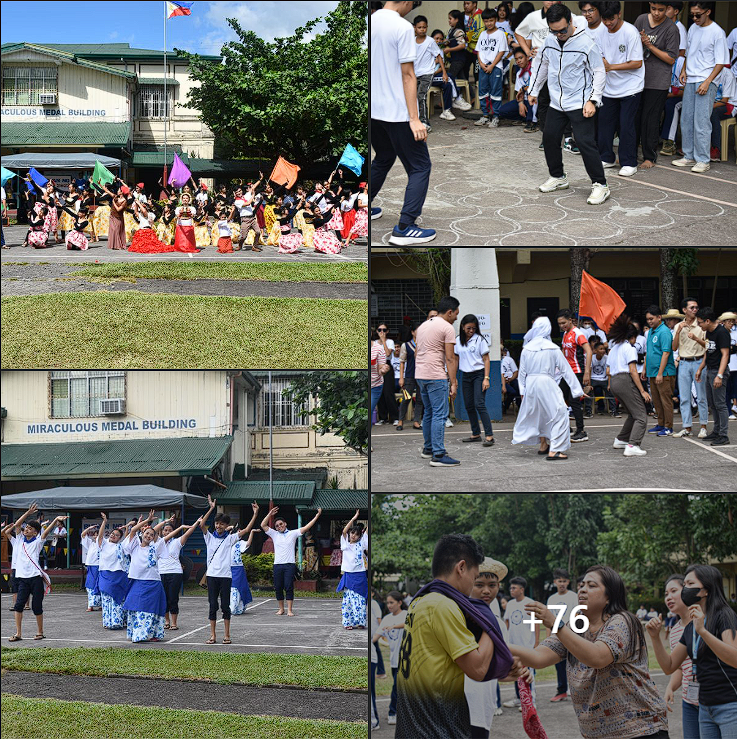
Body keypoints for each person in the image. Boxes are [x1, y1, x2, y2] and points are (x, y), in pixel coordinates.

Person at [513, 565, 669, 739]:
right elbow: (538, 657)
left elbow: (597, 657)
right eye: (582, 585)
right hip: (597, 734)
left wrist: (555, 623)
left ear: (609, 596)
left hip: (641, 731)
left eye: (592, 586)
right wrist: (496, 643)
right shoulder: (576, 625)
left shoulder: (623, 621)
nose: (583, 590)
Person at [394, 534, 526, 738]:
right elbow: (478, 669)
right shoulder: (443, 606)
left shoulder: (420, 601)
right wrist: (488, 622)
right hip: (436, 726)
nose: (479, 588)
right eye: (475, 579)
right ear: (461, 567)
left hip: (413, 724)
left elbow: (446, 665)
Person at [528, 4, 611, 206]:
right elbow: (542, 64)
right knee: (549, 138)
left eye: (563, 30)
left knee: (585, 143)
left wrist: (593, 100)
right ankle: (558, 177)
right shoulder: (550, 41)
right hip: (557, 102)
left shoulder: (586, 43)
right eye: (554, 31)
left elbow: (599, 72)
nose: (559, 35)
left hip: (580, 103)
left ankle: (601, 185)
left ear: (571, 22)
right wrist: (533, 90)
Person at [371, 0, 436, 246]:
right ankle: (405, 227)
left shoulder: (371, 20)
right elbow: (408, 75)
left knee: (384, 156)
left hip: (374, 112)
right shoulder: (402, 27)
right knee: (420, 166)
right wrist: (415, 119)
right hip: (396, 112)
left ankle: (363, 208)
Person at [647, 563, 737, 738]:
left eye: (689, 584)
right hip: (705, 708)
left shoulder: (724, 615)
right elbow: (670, 666)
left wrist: (703, 631)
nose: (684, 589)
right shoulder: (690, 627)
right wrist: (655, 637)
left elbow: (735, 658)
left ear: (705, 590)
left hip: (730, 706)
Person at [513, 316, 589, 461]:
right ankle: (556, 450)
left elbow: (521, 374)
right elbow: (566, 371)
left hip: (531, 384)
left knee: (541, 415)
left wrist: (523, 391)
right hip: (546, 383)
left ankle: (543, 446)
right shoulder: (553, 348)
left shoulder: (526, 349)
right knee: (560, 413)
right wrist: (578, 390)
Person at [672, 1, 729, 173]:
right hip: (691, 78)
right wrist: (683, 70)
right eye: (692, 15)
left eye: (698, 14)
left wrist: (707, 81)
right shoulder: (693, 29)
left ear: (708, 12)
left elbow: (720, 62)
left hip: (706, 79)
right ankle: (689, 156)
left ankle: (703, 159)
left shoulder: (717, 32)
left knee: (702, 120)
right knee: (687, 118)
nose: (695, 18)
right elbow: (690, 52)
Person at [199, 495, 259, 644]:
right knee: (213, 606)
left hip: (226, 576)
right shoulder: (209, 538)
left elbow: (246, 530)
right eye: (217, 523)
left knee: (225, 606)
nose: (219, 526)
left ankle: (227, 635)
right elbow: (202, 525)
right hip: (212, 576)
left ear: (227, 526)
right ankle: (212, 635)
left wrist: (255, 514)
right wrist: (211, 508)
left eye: (222, 524)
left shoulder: (230, 539)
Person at [597, 1, 645, 178]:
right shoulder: (601, 31)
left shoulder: (630, 32)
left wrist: (611, 67)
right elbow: (600, 54)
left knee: (626, 125)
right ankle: (607, 157)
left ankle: (629, 162)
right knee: (605, 124)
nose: (608, 23)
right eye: (604, 19)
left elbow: (637, 62)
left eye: (611, 19)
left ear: (619, 13)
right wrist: (602, 62)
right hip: (609, 87)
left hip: (630, 87)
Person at [465, 558, 511, 736]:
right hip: (459, 703)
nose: (486, 590)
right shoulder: (457, 618)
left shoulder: (498, 623)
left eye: (492, 585)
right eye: (479, 585)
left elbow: (500, 665)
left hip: (484, 702)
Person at [633, 2, 680, 170]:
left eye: (661, 10)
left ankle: (649, 157)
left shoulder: (671, 28)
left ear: (668, 8)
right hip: (638, 78)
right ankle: (630, 154)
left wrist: (649, 45)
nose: (657, 13)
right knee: (634, 118)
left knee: (650, 119)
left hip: (658, 81)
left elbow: (671, 58)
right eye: (654, 9)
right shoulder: (640, 20)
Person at [8, 504, 66, 642]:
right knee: (18, 605)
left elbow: (45, 533)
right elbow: (17, 525)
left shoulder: (38, 542)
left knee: (36, 606)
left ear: (35, 533)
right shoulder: (19, 540)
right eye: (26, 527)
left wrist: (55, 520)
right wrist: (28, 513)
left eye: (30, 528)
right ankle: (18, 633)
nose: (26, 529)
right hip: (22, 579)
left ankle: (40, 632)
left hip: (35, 578)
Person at [415, 296, 461, 467]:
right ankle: (439, 454)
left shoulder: (423, 326)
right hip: (436, 376)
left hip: (421, 374)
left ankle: (428, 449)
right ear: (449, 312)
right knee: (440, 415)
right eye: (456, 314)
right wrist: (454, 383)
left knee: (428, 412)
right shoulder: (447, 328)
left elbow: (417, 353)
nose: (456, 317)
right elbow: (450, 358)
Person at [260, 504, 322, 618]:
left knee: (288, 586)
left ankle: (289, 609)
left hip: (289, 565)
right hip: (277, 565)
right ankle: (281, 609)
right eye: (277, 526)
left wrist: (317, 516)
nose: (279, 527)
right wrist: (270, 514)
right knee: (278, 587)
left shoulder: (293, 533)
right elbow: (263, 525)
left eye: (281, 524)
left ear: (285, 524)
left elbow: (306, 527)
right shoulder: (274, 534)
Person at [606, 313, 653, 456]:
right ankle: (633, 445)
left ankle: (621, 439)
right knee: (641, 415)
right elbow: (633, 371)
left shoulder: (614, 348)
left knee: (633, 414)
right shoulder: (630, 348)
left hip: (614, 381)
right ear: (632, 337)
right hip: (624, 380)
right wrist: (642, 391)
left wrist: (611, 384)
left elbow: (608, 370)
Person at [660, 574, 699, 739]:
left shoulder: (704, 621)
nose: (668, 597)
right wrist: (670, 687)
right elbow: (679, 667)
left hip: (714, 698)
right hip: (689, 701)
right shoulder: (675, 631)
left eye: (673, 591)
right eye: (666, 594)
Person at [120, 511, 169, 643]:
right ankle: (135, 632)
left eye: (152, 535)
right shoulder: (134, 545)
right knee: (134, 607)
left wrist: (160, 524)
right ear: (142, 534)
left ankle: (147, 634)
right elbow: (133, 530)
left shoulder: (156, 546)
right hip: (136, 581)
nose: (149, 536)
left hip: (153, 582)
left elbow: (158, 533)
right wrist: (147, 520)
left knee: (149, 609)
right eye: (147, 533)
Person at [455, 314, 495, 447]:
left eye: (473, 328)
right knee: (469, 405)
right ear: (462, 327)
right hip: (465, 376)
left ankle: (489, 435)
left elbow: (486, 359)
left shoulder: (479, 340)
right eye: (468, 328)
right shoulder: (458, 341)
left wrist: (486, 378)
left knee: (479, 404)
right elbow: (455, 360)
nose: (471, 331)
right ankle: (476, 433)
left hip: (479, 375)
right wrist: (453, 378)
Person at [673, 297, 709, 439]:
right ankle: (687, 427)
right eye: (692, 308)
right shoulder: (678, 326)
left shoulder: (700, 325)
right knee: (684, 397)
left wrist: (695, 338)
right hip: (683, 362)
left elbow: (707, 346)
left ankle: (703, 427)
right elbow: (674, 347)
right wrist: (678, 332)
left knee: (701, 396)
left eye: (696, 307)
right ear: (684, 310)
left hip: (699, 361)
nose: (695, 310)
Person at [157, 516, 201, 630]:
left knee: (173, 598)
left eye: (170, 530)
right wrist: (166, 521)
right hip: (161, 573)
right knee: (164, 598)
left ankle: (174, 623)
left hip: (175, 573)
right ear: (161, 532)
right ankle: (166, 621)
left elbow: (187, 534)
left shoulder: (177, 542)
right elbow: (153, 530)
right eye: (165, 530)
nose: (167, 532)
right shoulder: (158, 542)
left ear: (174, 532)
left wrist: (196, 522)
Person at [696, 306, 731, 447]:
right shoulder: (709, 332)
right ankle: (716, 431)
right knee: (713, 404)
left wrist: (720, 375)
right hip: (709, 370)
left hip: (718, 371)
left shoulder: (721, 332)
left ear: (708, 321)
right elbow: (708, 351)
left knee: (720, 404)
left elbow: (725, 355)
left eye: (700, 322)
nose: (699, 325)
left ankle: (723, 434)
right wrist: (700, 368)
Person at [558, 308, 593, 443]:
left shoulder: (578, 333)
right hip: (566, 373)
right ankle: (567, 427)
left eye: (563, 323)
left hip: (577, 372)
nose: (562, 326)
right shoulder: (565, 334)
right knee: (559, 398)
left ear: (571, 320)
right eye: (559, 323)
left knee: (574, 401)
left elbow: (589, 352)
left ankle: (581, 431)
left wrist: (587, 373)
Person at [374, 590, 408, 726]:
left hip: (407, 659)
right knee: (397, 687)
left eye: (392, 602)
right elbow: (377, 635)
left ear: (399, 603)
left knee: (403, 687)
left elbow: (408, 624)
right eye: (387, 603)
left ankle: (393, 712)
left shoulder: (406, 615)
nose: (389, 605)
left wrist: (394, 626)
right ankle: (394, 712)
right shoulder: (387, 618)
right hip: (395, 659)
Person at [503, 576, 538, 711]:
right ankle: (519, 699)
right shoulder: (510, 604)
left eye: (514, 588)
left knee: (529, 673)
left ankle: (531, 701)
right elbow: (507, 622)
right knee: (515, 671)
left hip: (526, 644)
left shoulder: (530, 603)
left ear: (522, 589)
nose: (511, 590)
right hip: (513, 644)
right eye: (511, 588)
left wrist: (536, 642)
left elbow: (535, 623)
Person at [547, 568, 580, 703]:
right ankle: (561, 691)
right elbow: (548, 619)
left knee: (574, 663)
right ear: (555, 582)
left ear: (568, 582)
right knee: (559, 664)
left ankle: (576, 690)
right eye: (559, 581)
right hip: (556, 636)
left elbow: (578, 615)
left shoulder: (573, 596)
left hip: (571, 634)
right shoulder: (551, 599)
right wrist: (549, 637)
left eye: (564, 581)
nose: (562, 584)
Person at [644, 305, 677, 437]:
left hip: (664, 372)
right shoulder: (651, 331)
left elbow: (666, 353)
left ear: (659, 317)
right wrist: (645, 368)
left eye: (652, 318)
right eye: (647, 319)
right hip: (652, 371)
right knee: (656, 400)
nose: (649, 321)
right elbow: (649, 352)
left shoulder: (664, 332)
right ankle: (661, 423)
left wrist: (660, 373)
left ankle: (668, 426)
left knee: (665, 400)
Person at [97, 515, 134, 631]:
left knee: (117, 599)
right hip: (105, 575)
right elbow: (100, 535)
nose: (114, 535)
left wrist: (129, 527)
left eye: (117, 535)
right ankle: (107, 622)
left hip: (118, 576)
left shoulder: (121, 546)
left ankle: (117, 622)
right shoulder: (103, 544)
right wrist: (104, 521)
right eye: (112, 534)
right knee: (106, 600)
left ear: (119, 539)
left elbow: (129, 538)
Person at [474, 8, 509, 128]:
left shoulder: (500, 34)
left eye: (491, 20)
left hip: (495, 67)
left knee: (495, 91)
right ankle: (485, 115)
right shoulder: (482, 34)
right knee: (483, 91)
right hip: (483, 67)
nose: (489, 23)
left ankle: (495, 116)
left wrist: (492, 65)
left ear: (495, 20)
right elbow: (478, 50)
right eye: (486, 21)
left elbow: (501, 52)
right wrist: (482, 64)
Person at [413, 15, 446, 132]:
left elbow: (439, 56)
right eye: (419, 27)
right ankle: (416, 121)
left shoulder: (430, 41)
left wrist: (444, 73)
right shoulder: (411, 41)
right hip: (415, 74)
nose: (422, 29)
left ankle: (425, 122)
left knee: (421, 95)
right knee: (414, 97)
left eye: (424, 27)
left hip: (427, 73)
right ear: (414, 28)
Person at [337, 510, 368, 630]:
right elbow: (344, 531)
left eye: (356, 534)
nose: (353, 535)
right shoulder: (345, 545)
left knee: (360, 600)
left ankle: (360, 622)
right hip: (349, 575)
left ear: (360, 536)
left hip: (360, 575)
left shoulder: (362, 544)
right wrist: (354, 517)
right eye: (352, 533)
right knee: (348, 601)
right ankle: (348, 622)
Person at [497, 47, 536, 130]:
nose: (518, 61)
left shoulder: (534, 70)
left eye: (521, 58)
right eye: (516, 59)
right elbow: (519, 92)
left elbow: (536, 87)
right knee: (502, 110)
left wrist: (524, 89)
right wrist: (520, 104)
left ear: (527, 57)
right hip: (524, 100)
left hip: (535, 100)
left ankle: (531, 122)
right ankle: (523, 118)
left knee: (531, 102)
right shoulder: (519, 73)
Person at [397, 323, 424, 431]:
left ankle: (416, 421)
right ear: (412, 332)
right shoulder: (406, 345)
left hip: (422, 375)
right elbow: (402, 362)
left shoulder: (425, 344)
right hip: (409, 376)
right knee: (406, 398)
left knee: (420, 399)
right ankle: (400, 421)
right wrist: (401, 377)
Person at [230, 521, 258, 618]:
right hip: (228, 568)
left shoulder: (240, 543)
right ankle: (232, 607)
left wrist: (252, 532)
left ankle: (237, 607)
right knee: (230, 588)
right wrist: (231, 527)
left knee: (238, 587)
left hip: (238, 569)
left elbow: (248, 544)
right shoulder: (228, 539)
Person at [81, 523, 102, 611]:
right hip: (91, 567)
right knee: (90, 585)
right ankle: (91, 605)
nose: (96, 536)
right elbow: (83, 535)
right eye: (94, 535)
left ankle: (101, 604)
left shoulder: (103, 544)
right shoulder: (90, 543)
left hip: (100, 567)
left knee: (100, 585)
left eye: (98, 535)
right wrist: (89, 528)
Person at [501, 346, 521, 414]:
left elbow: (515, 372)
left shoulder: (509, 359)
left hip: (511, 379)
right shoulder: (499, 361)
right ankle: (505, 406)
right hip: (502, 381)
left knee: (519, 387)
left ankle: (520, 406)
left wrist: (510, 379)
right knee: (512, 392)